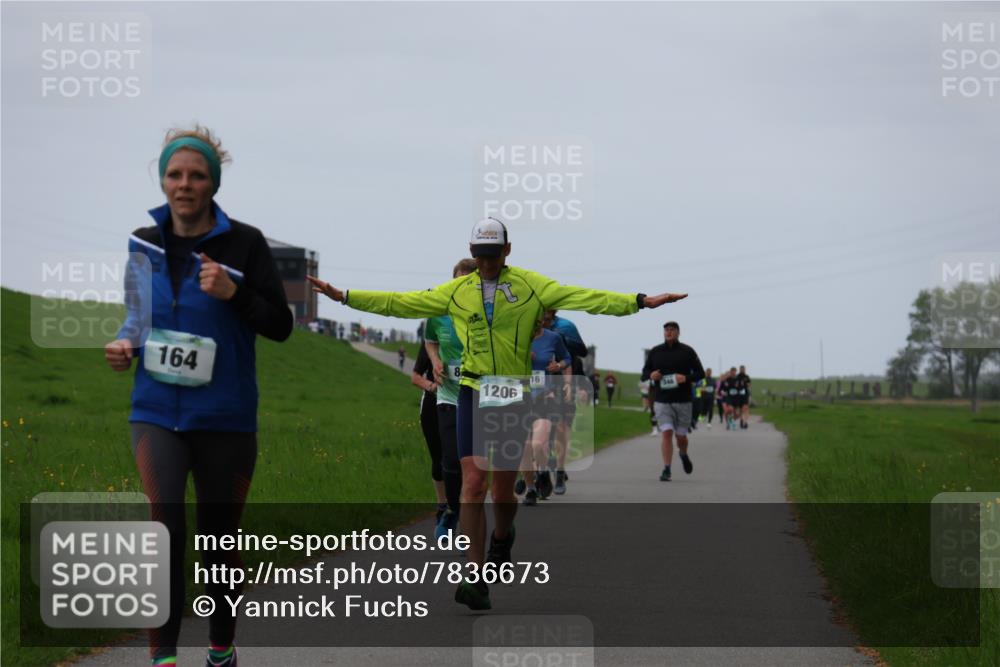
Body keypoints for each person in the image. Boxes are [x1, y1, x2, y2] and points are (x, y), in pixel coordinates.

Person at [307, 217, 686, 610]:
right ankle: (475, 576)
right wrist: (345, 296)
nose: (486, 263)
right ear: (473, 253)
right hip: (472, 388)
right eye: (480, 255)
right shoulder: (457, 292)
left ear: (507, 250)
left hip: (512, 392)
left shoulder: (531, 285)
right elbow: (402, 302)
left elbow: (585, 296)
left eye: (493, 255)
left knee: (502, 493)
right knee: (473, 484)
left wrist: (639, 302)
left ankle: (503, 537)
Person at [104, 126, 293, 667]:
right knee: (164, 526)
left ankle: (220, 648)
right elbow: (137, 318)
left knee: (219, 540)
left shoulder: (246, 244)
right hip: (156, 410)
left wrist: (235, 294)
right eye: (175, 174)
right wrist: (124, 344)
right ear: (163, 181)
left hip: (226, 415)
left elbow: (281, 325)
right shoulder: (142, 241)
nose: (184, 184)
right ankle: (162, 657)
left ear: (213, 184)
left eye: (196, 175)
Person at [423, 258, 478, 537]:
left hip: (481, 398)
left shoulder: (488, 315)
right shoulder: (438, 313)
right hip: (447, 396)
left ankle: (462, 518)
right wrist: (434, 360)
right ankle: (454, 515)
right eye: (458, 282)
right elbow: (430, 339)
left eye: (469, 282)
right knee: (450, 460)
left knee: (473, 466)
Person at [640, 321, 705, 481]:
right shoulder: (655, 351)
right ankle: (667, 469)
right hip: (662, 400)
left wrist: (686, 378)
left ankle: (683, 454)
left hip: (683, 400)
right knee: (667, 433)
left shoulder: (688, 351)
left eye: (672, 330)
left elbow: (700, 373)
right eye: (666, 330)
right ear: (663, 332)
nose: (668, 332)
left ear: (678, 332)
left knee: (681, 437)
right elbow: (644, 373)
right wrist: (651, 375)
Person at [520, 319, 571, 505]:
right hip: (518, 397)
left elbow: (567, 358)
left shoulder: (553, 338)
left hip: (544, 398)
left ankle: (541, 472)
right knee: (524, 447)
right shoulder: (515, 334)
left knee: (537, 444)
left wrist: (558, 366)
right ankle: (531, 489)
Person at [543, 310, 586, 494]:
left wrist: (580, 388)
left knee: (561, 429)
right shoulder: (530, 330)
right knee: (540, 433)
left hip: (563, 386)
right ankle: (535, 474)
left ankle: (559, 471)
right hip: (541, 389)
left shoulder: (564, 329)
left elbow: (578, 357)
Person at [410, 337, 446, 532]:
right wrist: (432, 387)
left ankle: (461, 513)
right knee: (438, 460)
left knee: (460, 462)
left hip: (461, 403)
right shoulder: (431, 343)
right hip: (433, 405)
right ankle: (442, 506)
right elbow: (415, 377)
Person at [736, 365, 753, 429]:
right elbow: (735, 385)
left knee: (745, 408)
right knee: (740, 409)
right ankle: (741, 420)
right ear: (739, 369)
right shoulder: (737, 377)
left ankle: (745, 422)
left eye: (743, 369)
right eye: (741, 369)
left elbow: (750, 384)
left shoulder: (746, 376)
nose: (742, 370)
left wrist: (746, 384)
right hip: (739, 395)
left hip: (745, 394)